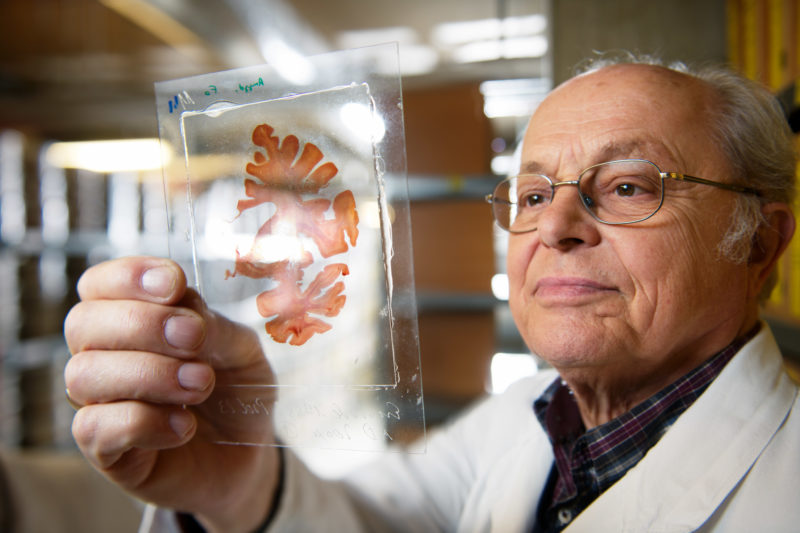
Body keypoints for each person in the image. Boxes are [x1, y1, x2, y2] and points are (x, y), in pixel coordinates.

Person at [63, 56, 800, 532]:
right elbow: (372, 520)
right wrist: (238, 486)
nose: (557, 226)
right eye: (533, 193)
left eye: (630, 186)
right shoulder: (526, 421)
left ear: (760, 241)